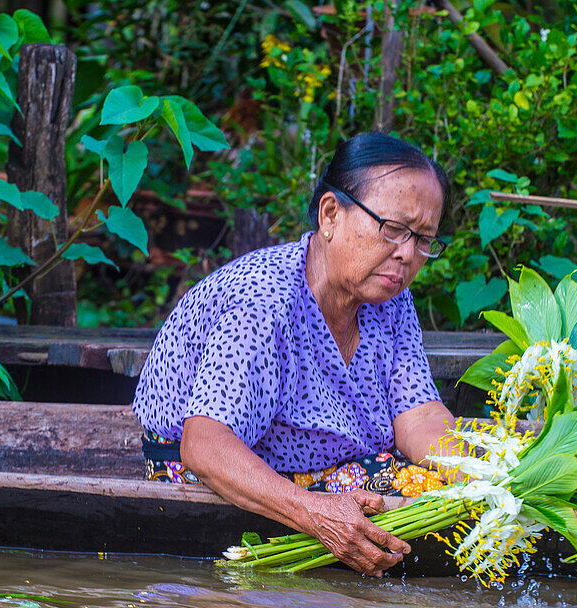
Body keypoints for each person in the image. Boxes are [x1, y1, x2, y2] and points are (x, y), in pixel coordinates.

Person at [133, 132, 457, 577]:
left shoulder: (390, 300)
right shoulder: (265, 300)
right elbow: (205, 446)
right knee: (404, 487)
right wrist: (315, 513)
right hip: (219, 473)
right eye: (394, 230)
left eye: (423, 239)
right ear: (331, 214)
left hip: (327, 470)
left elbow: (418, 417)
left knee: (454, 482)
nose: (406, 254)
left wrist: (480, 471)